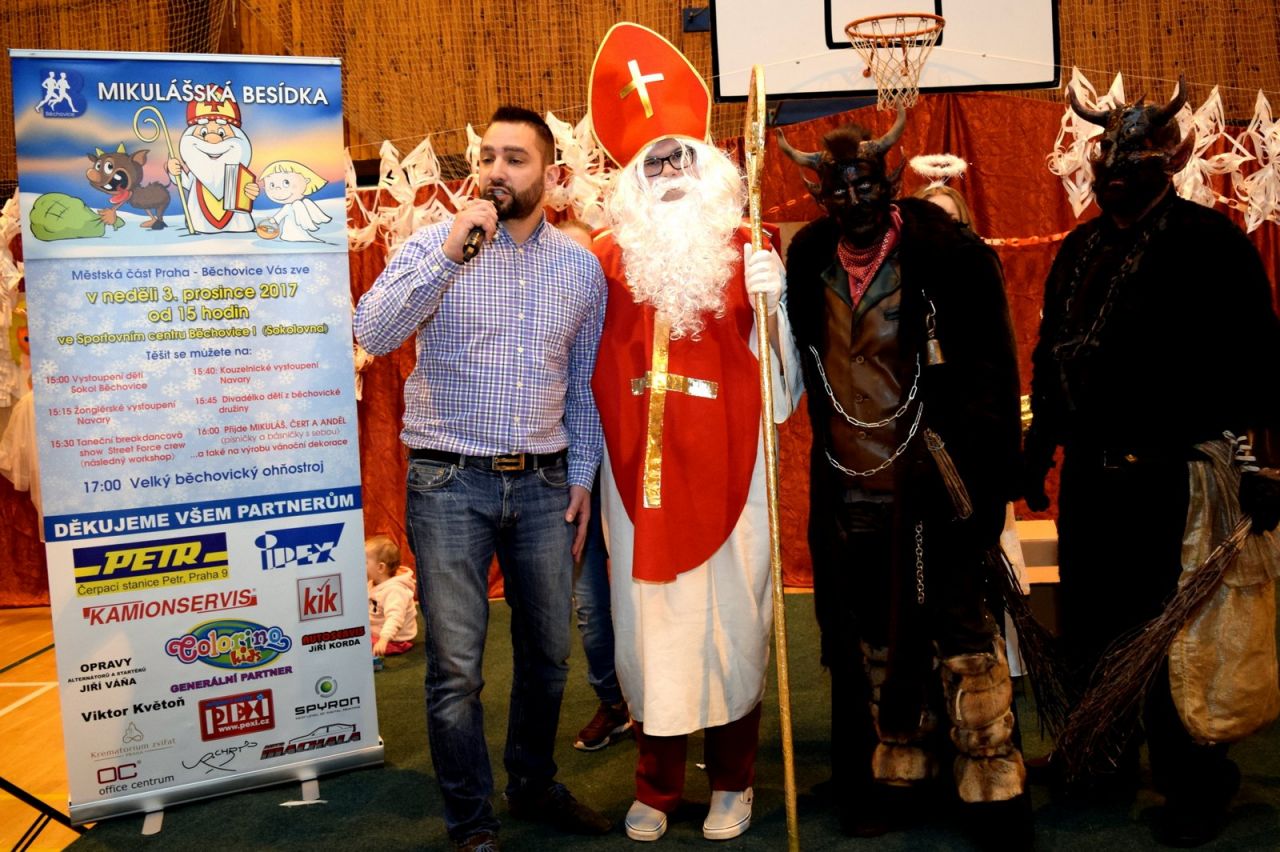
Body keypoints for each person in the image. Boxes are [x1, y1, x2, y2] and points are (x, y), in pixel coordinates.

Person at [1024, 77, 1280, 847]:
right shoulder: (1080, 249)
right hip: (1092, 479)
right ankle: (1099, 754)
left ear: (1165, 164)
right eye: (1105, 161)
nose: (1114, 173)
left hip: (1177, 478)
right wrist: (1037, 452)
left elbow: (1263, 360)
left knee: (1176, 637)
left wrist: (1266, 467)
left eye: (1131, 162)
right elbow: (1053, 356)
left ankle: (1196, 782)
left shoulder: (1211, 243)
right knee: (1092, 624)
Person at [353, 105, 610, 852]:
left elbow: (584, 384)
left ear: (550, 176)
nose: (496, 170)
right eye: (487, 157)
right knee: (457, 669)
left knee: (549, 656)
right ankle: (471, 824)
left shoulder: (580, 269)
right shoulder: (434, 243)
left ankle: (531, 782)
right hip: (448, 483)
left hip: (544, 485)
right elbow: (373, 331)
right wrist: (450, 254)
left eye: (515, 159)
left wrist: (582, 475)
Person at [779, 111, 1029, 848]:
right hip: (852, 485)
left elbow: (993, 375)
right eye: (838, 190)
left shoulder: (948, 256)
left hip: (938, 484)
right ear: (820, 197)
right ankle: (900, 776)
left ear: (889, 183)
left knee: (963, 639)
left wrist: (985, 488)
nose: (853, 200)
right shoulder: (809, 261)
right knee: (877, 642)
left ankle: (993, 787)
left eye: (866, 185)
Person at [585, 22, 801, 842]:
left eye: (681, 159)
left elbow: (785, 395)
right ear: (631, 182)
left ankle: (734, 781)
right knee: (652, 636)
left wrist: (774, 307)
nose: (670, 175)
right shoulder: (605, 260)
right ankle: (657, 786)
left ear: (709, 167)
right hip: (635, 483)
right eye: (653, 164)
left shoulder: (750, 248)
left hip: (733, 476)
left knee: (731, 629)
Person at [555, 219, 632, 753]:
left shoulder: (623, 314)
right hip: (569, 474)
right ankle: (613, 702)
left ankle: (656, 702)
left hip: (628, 465)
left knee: (644, 592)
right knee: (589, 602)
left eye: (589, 259)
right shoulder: (545, 312)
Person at [166, 89, 259, 234]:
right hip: (202, 225)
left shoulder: (239, 175)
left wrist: (251, 190)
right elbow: (185, 183)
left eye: (221, 133)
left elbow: (247, 193)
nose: (212, 140)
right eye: (203, 133)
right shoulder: (197, 172)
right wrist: (174, 172)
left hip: (238, 224)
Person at [365, 534, 417, 657]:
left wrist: (383, 640)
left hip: (395, 640)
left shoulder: (395, 590)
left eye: (365, 562)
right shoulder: (373, 583)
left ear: (380, 567)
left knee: (358, 643)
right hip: (376, 631)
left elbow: (395, 618)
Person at [258, 159, 333, 242]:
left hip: (289, 235)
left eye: (286, 183)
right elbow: (278, 218)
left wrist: (272, 220)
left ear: (306, 181)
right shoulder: (297, 205)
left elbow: (277, 218)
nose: (278, 188)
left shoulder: (297, 205)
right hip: (288, 235)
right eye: (272, 185)